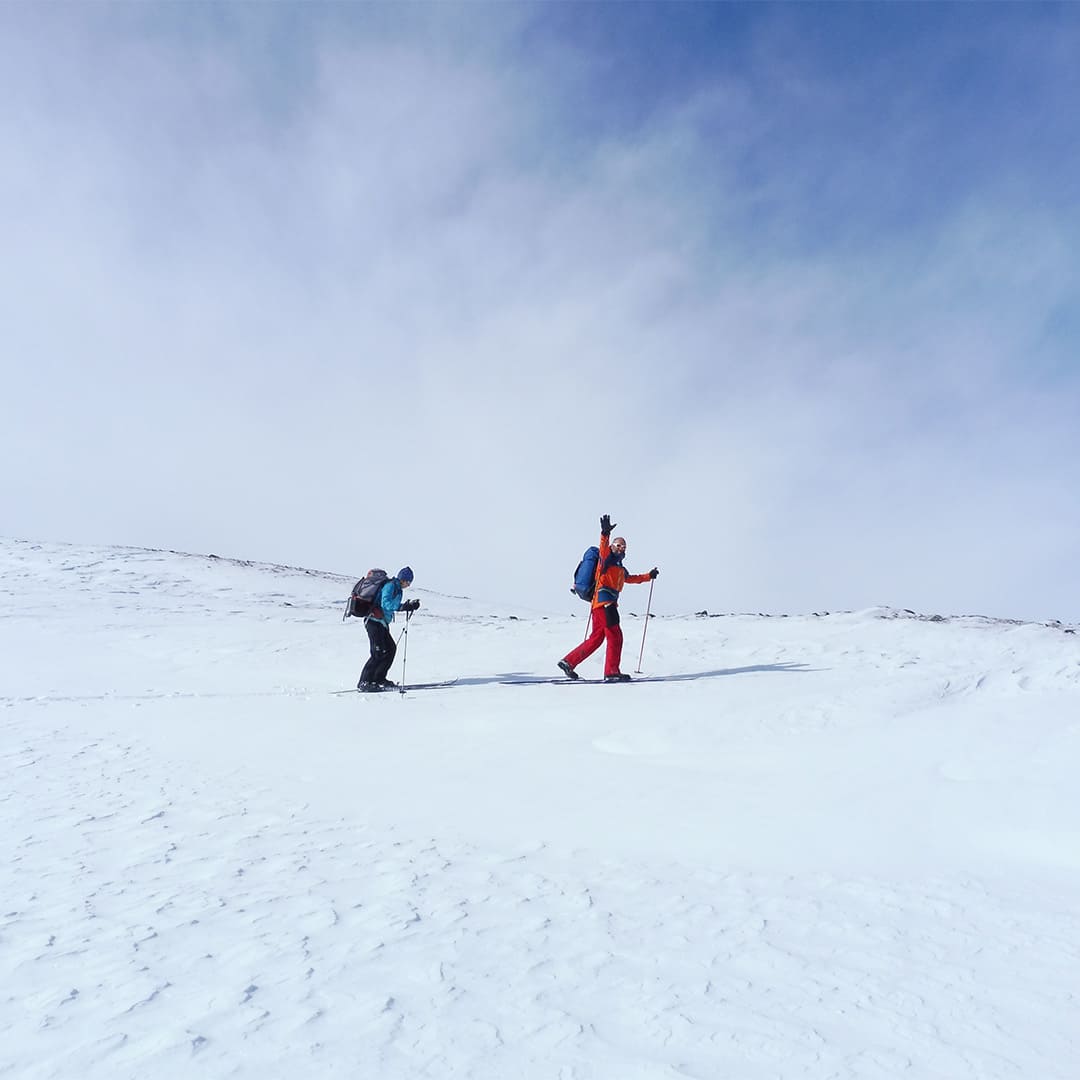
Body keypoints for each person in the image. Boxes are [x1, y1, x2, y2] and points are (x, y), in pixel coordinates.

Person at [559, 515, 658, 682]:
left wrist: (649, 576)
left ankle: (568, 662)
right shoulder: (605, 559)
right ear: (613, 546)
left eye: (624, 547)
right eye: (618, 545)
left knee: (597, 638)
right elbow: (603, 547)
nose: (621, 549)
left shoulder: (619, 567)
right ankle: (612, 671)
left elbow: (631, 578)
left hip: (600, 605)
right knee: (615, 635)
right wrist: (605, 533)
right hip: (606, 603)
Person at [358, 567, 420, 691]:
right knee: (378, 652)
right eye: (408, 582)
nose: (408, 585)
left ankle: (379, 679)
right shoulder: (390, 586)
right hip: (373, 621)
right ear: (403, 579)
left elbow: (390, 606)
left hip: (382, 623)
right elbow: (385, 603)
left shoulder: (398, 589)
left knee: (390, 649)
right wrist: (402, 607)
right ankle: (364, 682)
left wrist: (408, 606)